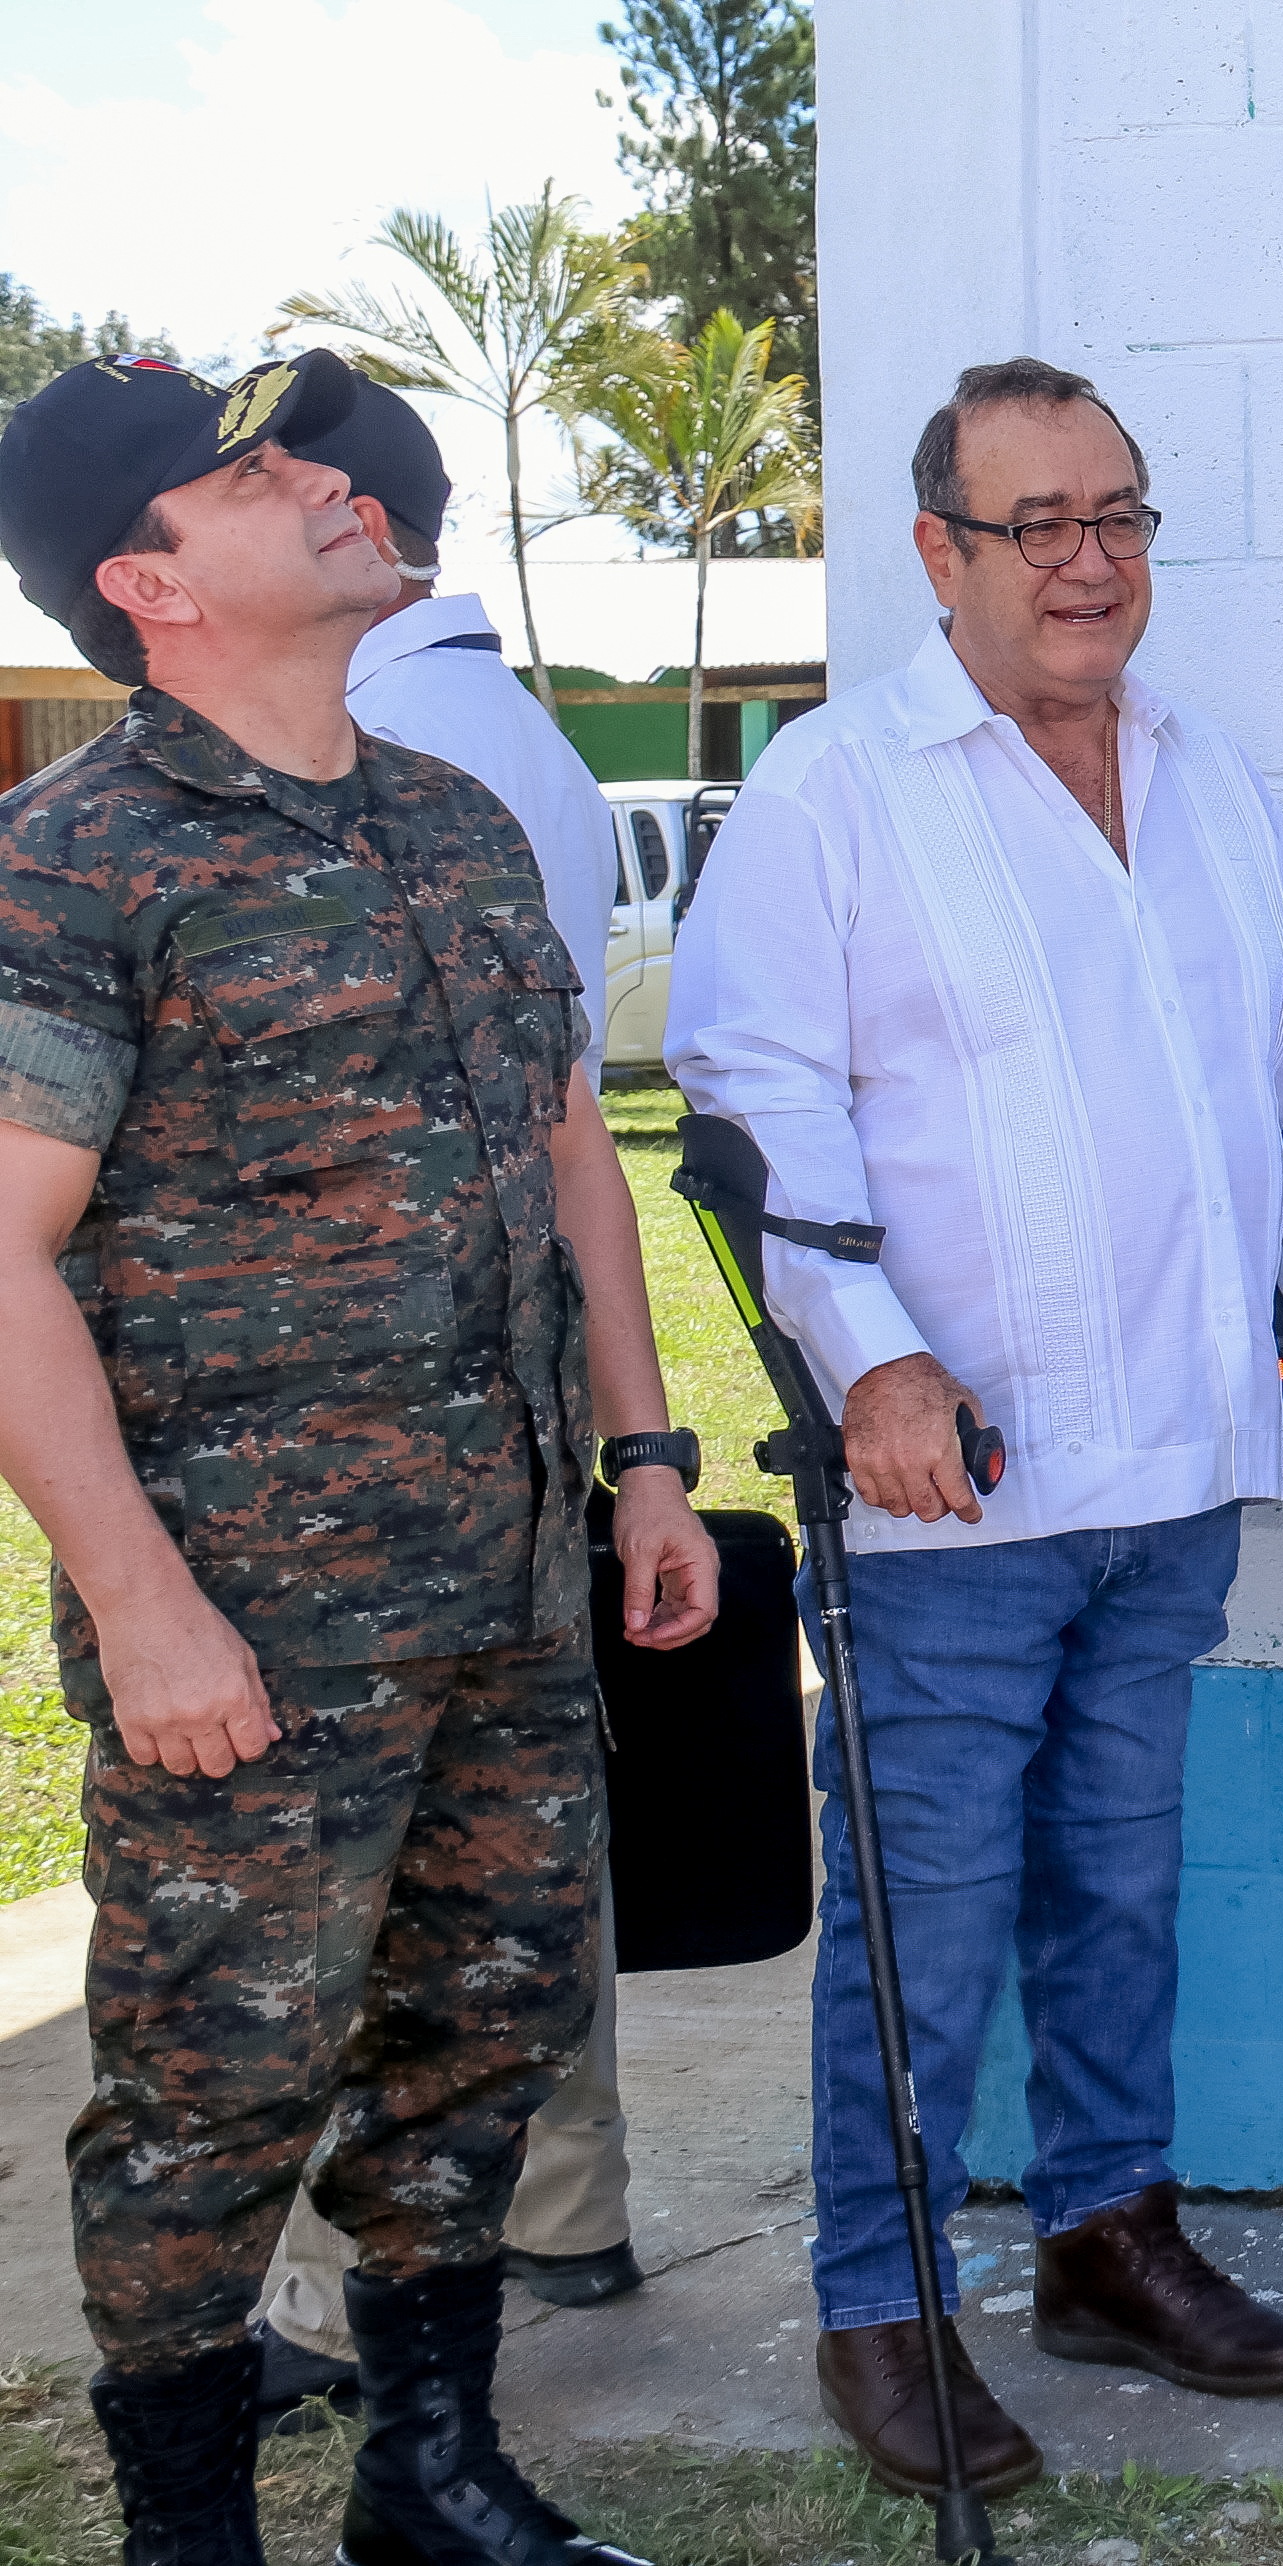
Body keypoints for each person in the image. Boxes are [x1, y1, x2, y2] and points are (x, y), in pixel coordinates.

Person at [0, 347, 717, 2563]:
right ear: (144, 578)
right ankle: (188, 2529)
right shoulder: (74, 860)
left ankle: (431, 2471)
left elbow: (571, 1149)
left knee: (477, 2043)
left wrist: (652, 1450)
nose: (328, 478)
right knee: (212, 2094)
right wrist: (142, 1601)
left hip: (501, 1588)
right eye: (255, 471)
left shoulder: (458, 819)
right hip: (250, 1638)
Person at [667, 354, 1283, 2499]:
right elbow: (747, 1111)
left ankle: (1104, 2231)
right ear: (937, 555)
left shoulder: (1205, 772)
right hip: (950, 1471)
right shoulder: (839, 787)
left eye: (1120, 517)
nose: (1088, 563)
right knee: (931, 1910)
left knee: (1118, 1882)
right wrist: (869, 1355)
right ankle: (881, 2305)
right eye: (1036, 524)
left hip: (1177, 1452)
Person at [242, 375, 653, 2436]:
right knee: (513, 1804)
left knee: (396, 1851)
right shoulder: (525, 733)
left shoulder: (390, 750)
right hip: (507, 1373)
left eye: (264, 476)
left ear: (349, 512)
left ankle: (408, 2249)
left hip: (404, 1407)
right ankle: (556, 2191)